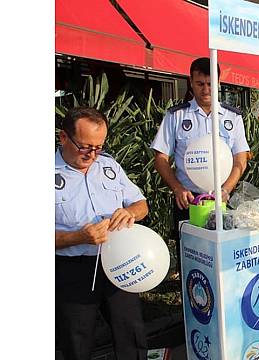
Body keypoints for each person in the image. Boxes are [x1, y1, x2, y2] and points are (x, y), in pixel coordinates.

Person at [55, 107, 149, 359]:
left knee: (131, 333)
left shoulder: (109, 166)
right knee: (77, 340)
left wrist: (130, 213)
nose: (93, 155)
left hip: (118, 262)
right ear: (63, 137)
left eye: (99, 147)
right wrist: (79, 237)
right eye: (86, 147)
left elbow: (141, 205)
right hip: (73, 268)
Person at [151, 57, 250, 268]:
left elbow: (241, 158)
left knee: (223, 260)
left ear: (218, 81)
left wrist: (227, 188)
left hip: (222, 199)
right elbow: (160, 158)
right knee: (191, 259)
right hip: (187, 200)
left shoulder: (233, 117)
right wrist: (177, 188)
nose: (206, 89)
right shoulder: (176, 116)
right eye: (200, 84)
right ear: (191, 82)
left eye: (210, 83)